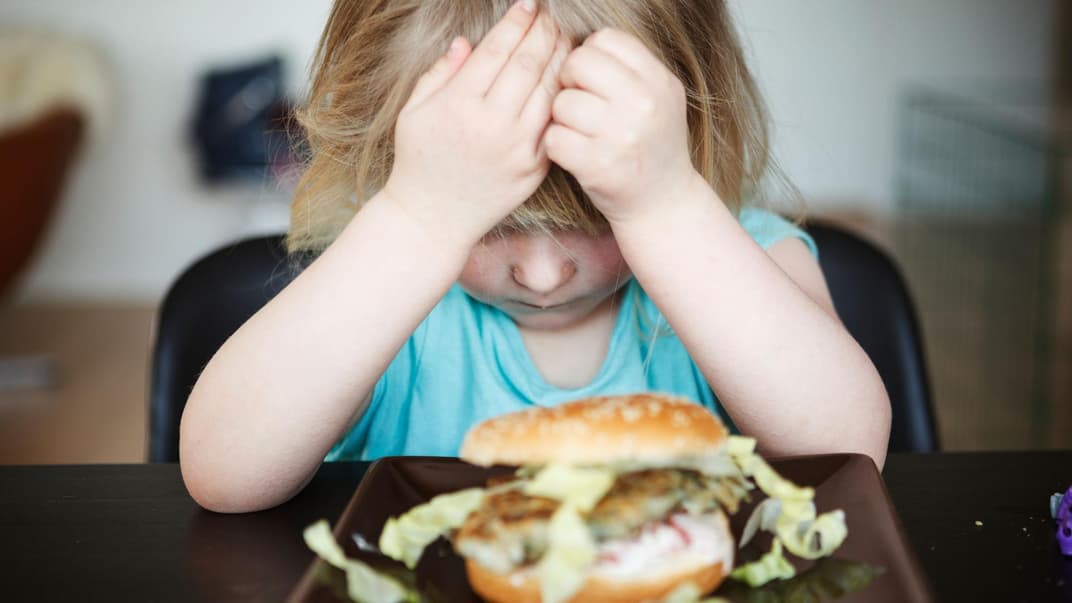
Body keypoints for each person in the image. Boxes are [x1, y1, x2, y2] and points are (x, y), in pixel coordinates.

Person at [180, 0, 891, 513]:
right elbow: (224, 471)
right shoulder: (382, 284)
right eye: (488, 225)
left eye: (600, 215)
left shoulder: (747, 257)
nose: (543, 275)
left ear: (691, 141)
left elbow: (849, 455)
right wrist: (419, 222)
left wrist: (668, 211)